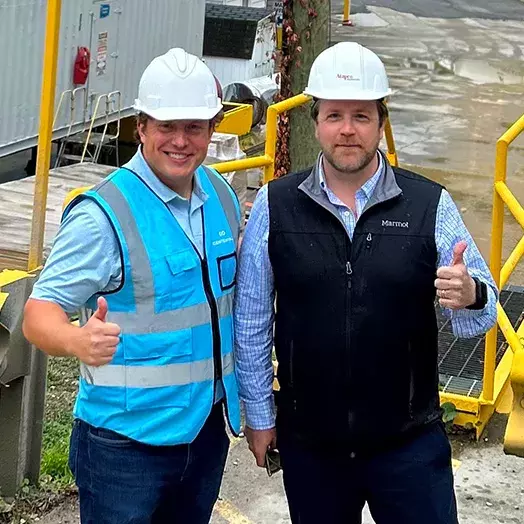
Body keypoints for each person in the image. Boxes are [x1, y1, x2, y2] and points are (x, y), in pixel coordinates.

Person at [234, 41, 497, 524]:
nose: (348, 130)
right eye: (335, 116)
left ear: (381, 121)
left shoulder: (429, 205)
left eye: (361, 115)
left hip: (409, 443)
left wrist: (470, 292)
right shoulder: (276, 207)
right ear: (317, 122)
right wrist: (259, 414)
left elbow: (482, 308)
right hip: (312, 446)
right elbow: (250, 321)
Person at [23, 48, 241, 524]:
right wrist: (77, 340)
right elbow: (38, 314)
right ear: (140, 128)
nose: (180, 141)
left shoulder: (222, 197)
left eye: (194, 127)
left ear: (212, 128)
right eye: (166, 126)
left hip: (204, 432)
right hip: (124, 448)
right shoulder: (104, 216)